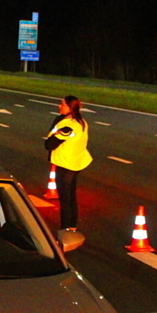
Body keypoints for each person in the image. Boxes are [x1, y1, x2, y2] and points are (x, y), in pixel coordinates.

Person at [44, 95, 92, 231]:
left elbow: (50, 144)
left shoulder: (67, 126)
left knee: (65, 199)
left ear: (70, 108)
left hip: (66, 164)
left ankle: (65, 229)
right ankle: (72, 227)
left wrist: (54, 130)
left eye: (62, 104)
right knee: (71, 197)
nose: (59, 106)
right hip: (76, 162)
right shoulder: (81, 122)